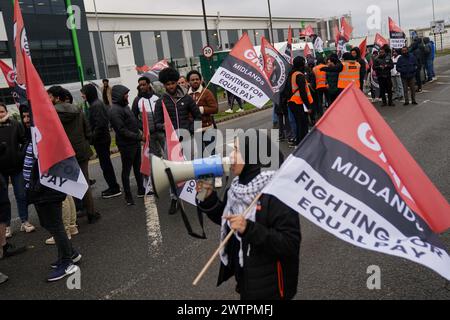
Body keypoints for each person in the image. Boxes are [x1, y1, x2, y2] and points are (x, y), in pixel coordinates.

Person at [196, 132, 301, 300]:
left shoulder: (277, 192)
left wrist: (249, 229)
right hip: (247, 280)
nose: (231, 155)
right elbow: (231, 221)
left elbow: (289, 244)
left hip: (272, 288)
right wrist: (208, 199)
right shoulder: (238, 187)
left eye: (236, 150)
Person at [23, 132, 82, 282]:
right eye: (24, 116)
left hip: (47, 189)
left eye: (28, 115)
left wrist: (37, 187)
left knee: (56, 226)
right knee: (47, 223)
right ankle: (70, 253)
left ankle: (67, 263)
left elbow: (51, 161)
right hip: (38, 189)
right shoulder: (33, 133)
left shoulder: (46, 132)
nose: (26, 119)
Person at [47, 86, 101, 224]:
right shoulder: (77, 110)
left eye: (50, 96)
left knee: (68, 185)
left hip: (63, 153)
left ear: (57, 98)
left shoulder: (51, 114)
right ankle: (91, 213)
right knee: (85, 182)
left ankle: (72, 219)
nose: (48, 99)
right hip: (81, 150)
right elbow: (88, 132)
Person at [154, 67, 202, 214]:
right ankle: (174, 197)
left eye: (173, 83)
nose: (171, 87)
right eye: (167, 84)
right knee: (173, 171)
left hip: (186, 138)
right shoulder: (161, 101)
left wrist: (191, 130)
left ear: (177, 83)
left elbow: (197, 117)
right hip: (170, 142)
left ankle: (196, 195)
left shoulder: (187, 98)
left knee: (190, 168)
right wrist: (166, 127)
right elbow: (156, 123)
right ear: (164, 85)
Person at [0, 102, 35, 239]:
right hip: (1, 170)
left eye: (2, 111)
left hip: (17, 167)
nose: (0, 114)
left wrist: (20, 154)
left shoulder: (16, 124)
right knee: (3, 200)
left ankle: (24, 221)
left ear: (6, 111)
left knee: (21, 195)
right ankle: (6, 226)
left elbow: (25, 140)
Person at [81, 84, 122, 199]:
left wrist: (92, 138)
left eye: (83, 93)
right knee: (106, 164)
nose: (82, 95)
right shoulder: (96, 104)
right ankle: (113, 186)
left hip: (101, 140)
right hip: (103, 139)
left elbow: (100, 124)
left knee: (106, 165)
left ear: (89, 93)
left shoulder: (96, 106)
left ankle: (114, 188)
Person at [109, 85, 145, 206]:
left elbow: (133, 121)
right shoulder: (115, 110)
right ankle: (128, 196)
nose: (127, 95)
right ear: (119, 95)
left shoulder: (124, 107)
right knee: (126, 170)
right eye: (125, 94)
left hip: (134, 143)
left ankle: (141, 189)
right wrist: (139, 137)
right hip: (126, 145)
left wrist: (142, 130)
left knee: (138, 167)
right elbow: (121, 130)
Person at [287, 56, 313, 146]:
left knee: (299, 123)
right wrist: (308, 106)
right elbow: (303, 93)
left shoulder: (291, 74)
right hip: (298, 102)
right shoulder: (299, 75)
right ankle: (303, 143)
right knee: (303, 123)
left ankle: (299, 142)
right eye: (303, 62)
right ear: (301, 64)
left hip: (291, 101)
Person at [312, 56, 329, 120]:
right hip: (326, 86)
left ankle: (321, 115)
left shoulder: (314, 68)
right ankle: (329, 112)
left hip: (318, 87)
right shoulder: (327, 67)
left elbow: (313, 79)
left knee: (320, 101)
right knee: (328, 99)